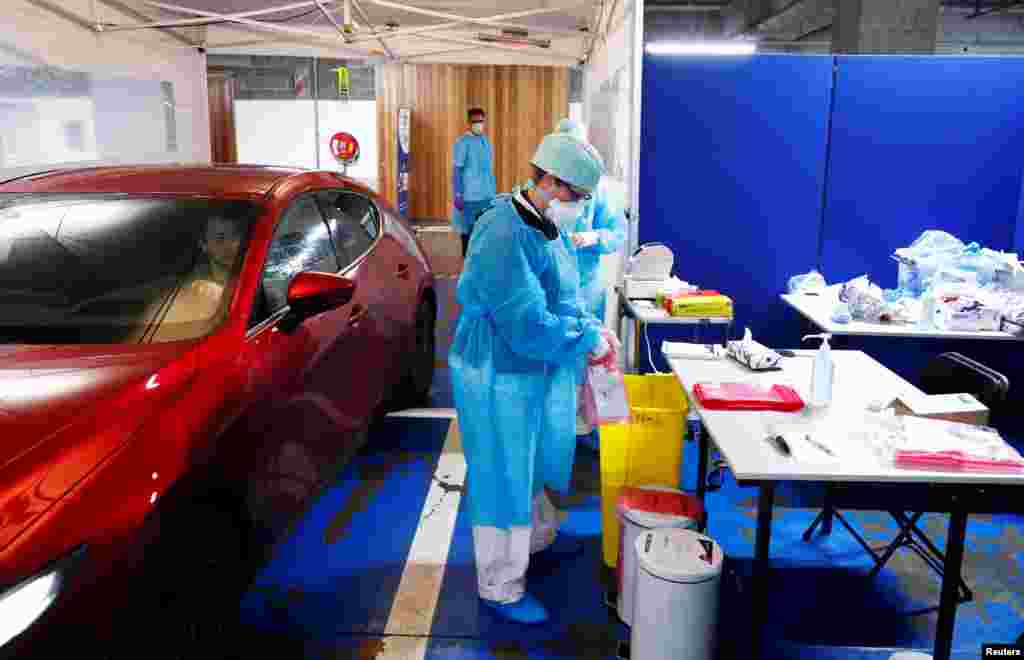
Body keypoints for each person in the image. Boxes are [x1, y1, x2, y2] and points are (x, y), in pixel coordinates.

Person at [449, 132, 620, 625]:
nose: (579, 207)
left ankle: (537, 536)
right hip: (496, 369)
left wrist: (588, 328)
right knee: (503, 468)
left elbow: (563, 296)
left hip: (531, 365)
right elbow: (523, 321)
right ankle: (500, 583)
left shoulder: (546, 224)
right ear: (548, 180)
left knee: (532, 454)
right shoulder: (501, 231)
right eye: (576, 196)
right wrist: (578, 342)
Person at [552, 119, 629, 437]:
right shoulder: (549, 187)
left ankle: (590, 425)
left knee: (590, 357)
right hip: (553, 286)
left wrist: (594, 236)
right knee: (557, 359)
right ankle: (560, 423)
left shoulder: (597, 190)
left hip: (585, 286)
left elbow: (616, 232)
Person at [451, 108, 497, 258]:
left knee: (484, 230)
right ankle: (467, 261)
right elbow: (457, 169)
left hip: (487, 194)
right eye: (475, 121)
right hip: (470, 196)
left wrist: (492, 192)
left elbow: (487, 169)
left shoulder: (485, 141)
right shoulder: (462, 142)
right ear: (469, 123)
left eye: (481, 121)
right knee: (468, 232)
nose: (479, 124)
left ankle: (481, 262)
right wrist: (458, 193)